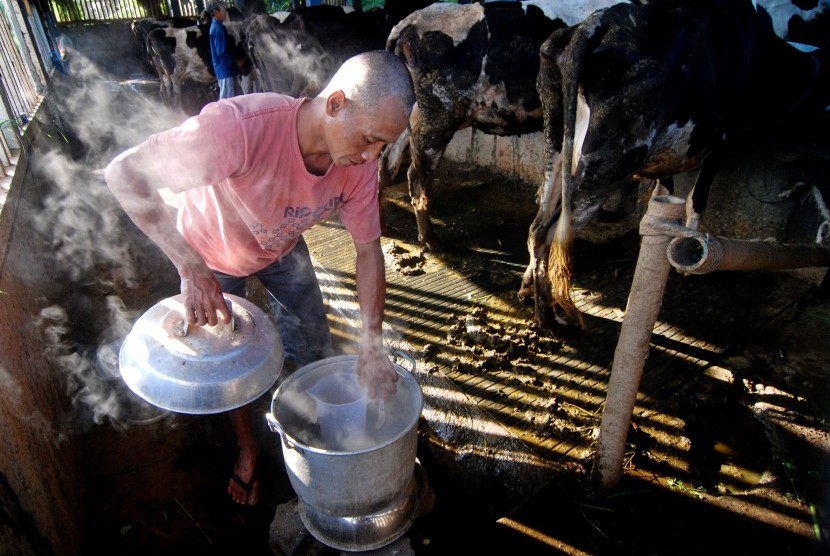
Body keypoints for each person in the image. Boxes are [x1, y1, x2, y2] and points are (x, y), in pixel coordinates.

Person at [104, 50, 415, 506]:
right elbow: (123, 173)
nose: (372, 156)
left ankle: (315, 433)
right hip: (209, 255)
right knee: (229, 369)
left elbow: (368, 252)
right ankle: (248, 449)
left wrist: (371, 343)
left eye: (382, 146)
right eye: (369, 139)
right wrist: (190, 267)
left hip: (281, 247)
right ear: (336, 104)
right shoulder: (238, 128)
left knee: (312, 345)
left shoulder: (359, 167)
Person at [208, 1, 242, 99]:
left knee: (234, 97)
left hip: (226, 69)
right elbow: (222, 52)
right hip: (224, 69)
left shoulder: (217, 26)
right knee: (226, 100)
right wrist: (236, 61)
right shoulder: (217, 28)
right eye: (223, 8)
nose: (225, 11)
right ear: (216, 11)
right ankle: (221, 114)